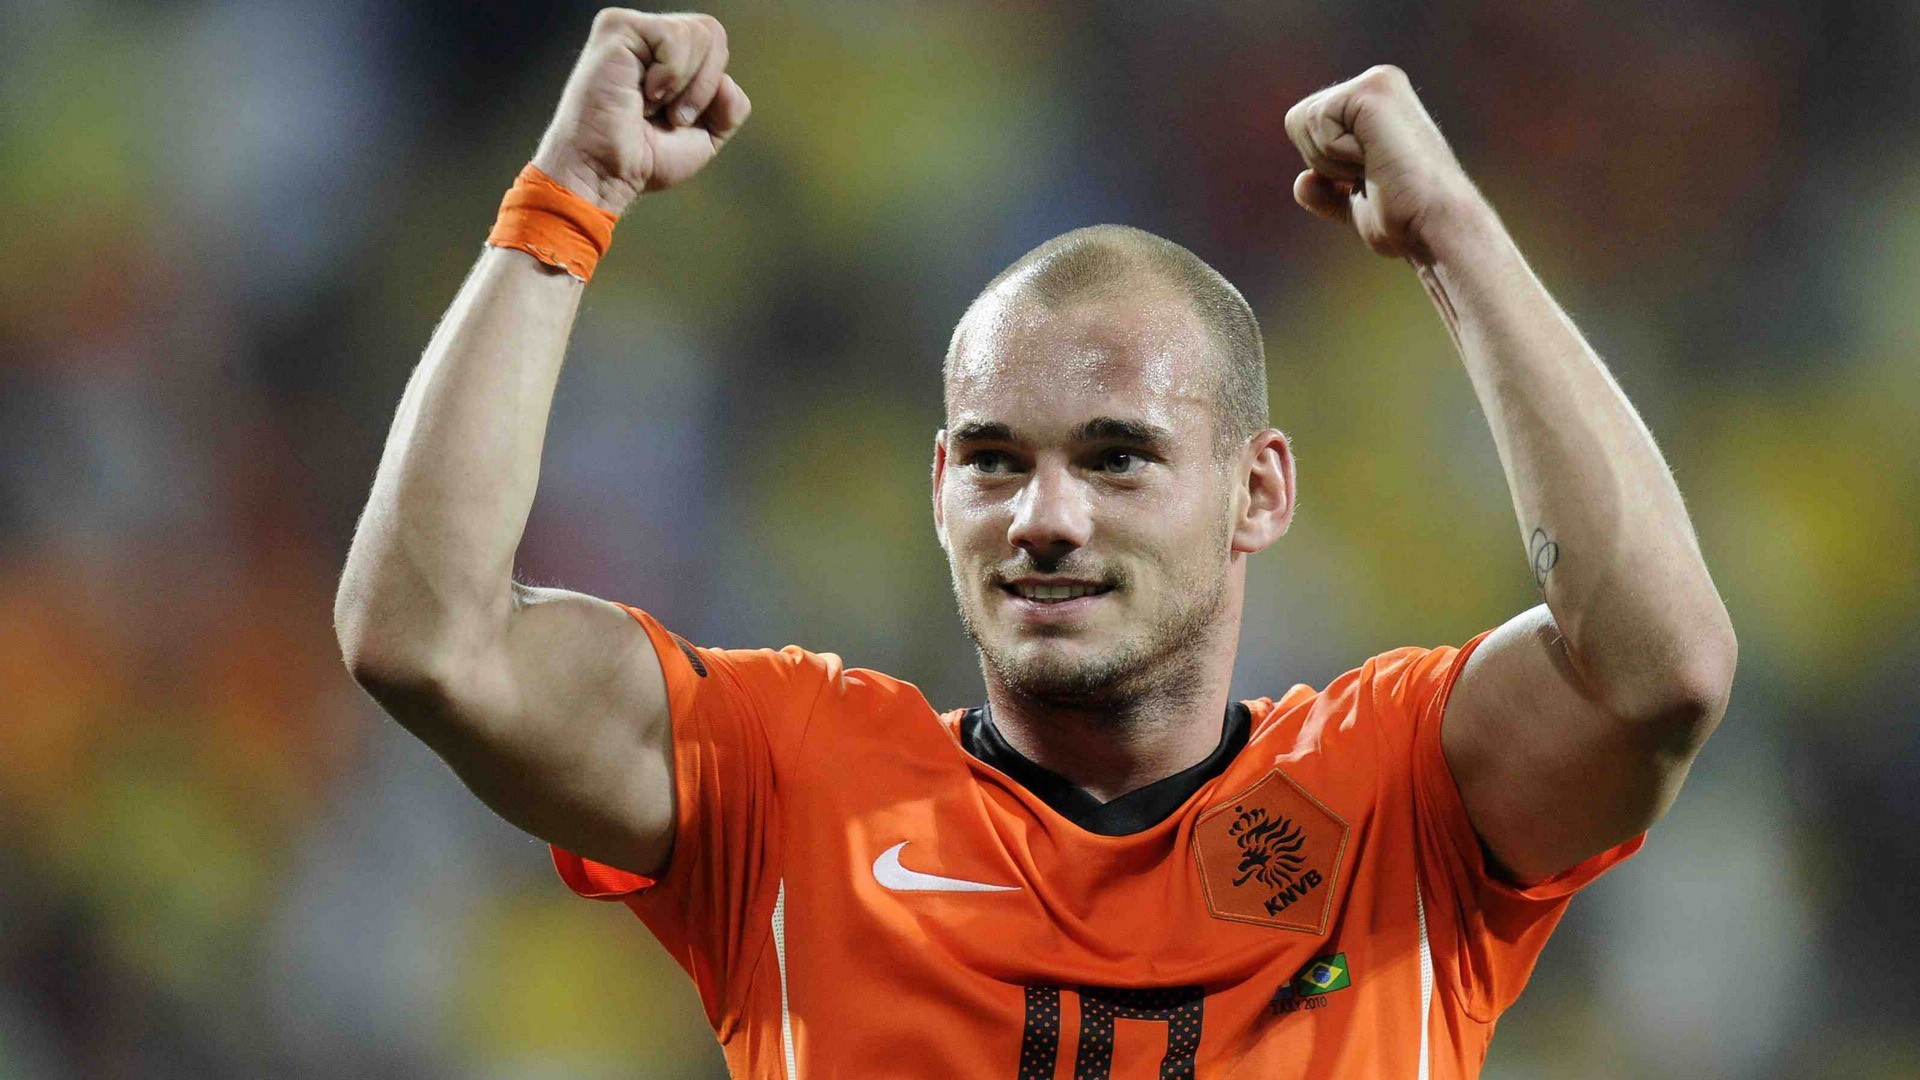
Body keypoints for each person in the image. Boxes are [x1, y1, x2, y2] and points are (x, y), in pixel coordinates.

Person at [334, 9, 1737, 1078]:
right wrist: (570, 193)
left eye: (1117, 458)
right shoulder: (791, 787)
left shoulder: (1400, 799)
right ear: (941, 488)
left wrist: (1457, 242)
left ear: (1258, 493)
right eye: (998, 462)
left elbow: (1661, 672)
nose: (1045, 519)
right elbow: (425, 639)